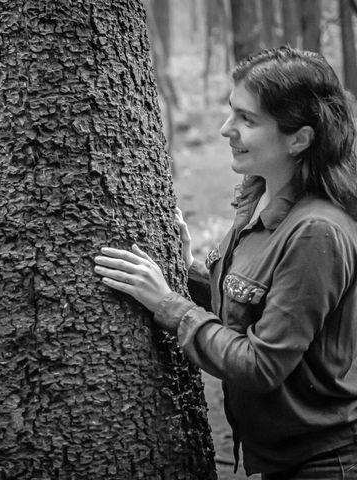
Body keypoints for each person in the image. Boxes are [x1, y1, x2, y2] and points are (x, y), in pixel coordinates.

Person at [94, 46, 357, 479]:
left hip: (324, 464)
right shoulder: (258, 195)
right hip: (282, 459)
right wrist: (189, 270)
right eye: (231, 111)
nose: (224, 129)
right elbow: (250, 307)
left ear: (299, 138)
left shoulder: (315, 231)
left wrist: (170, 306)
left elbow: (261, 365)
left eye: (247, 120)